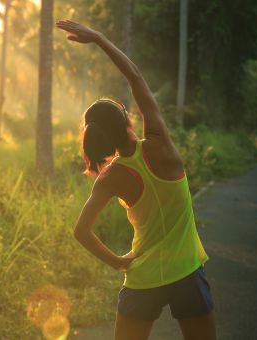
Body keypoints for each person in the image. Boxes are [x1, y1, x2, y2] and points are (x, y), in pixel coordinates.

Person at [56, 20, 216, 340]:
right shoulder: (160, 143)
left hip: (143, 279)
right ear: (128, 118)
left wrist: (118, 262)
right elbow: (135, 76)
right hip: (187, 272)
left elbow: (81, 231)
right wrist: (101, 38)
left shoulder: (111, 178)